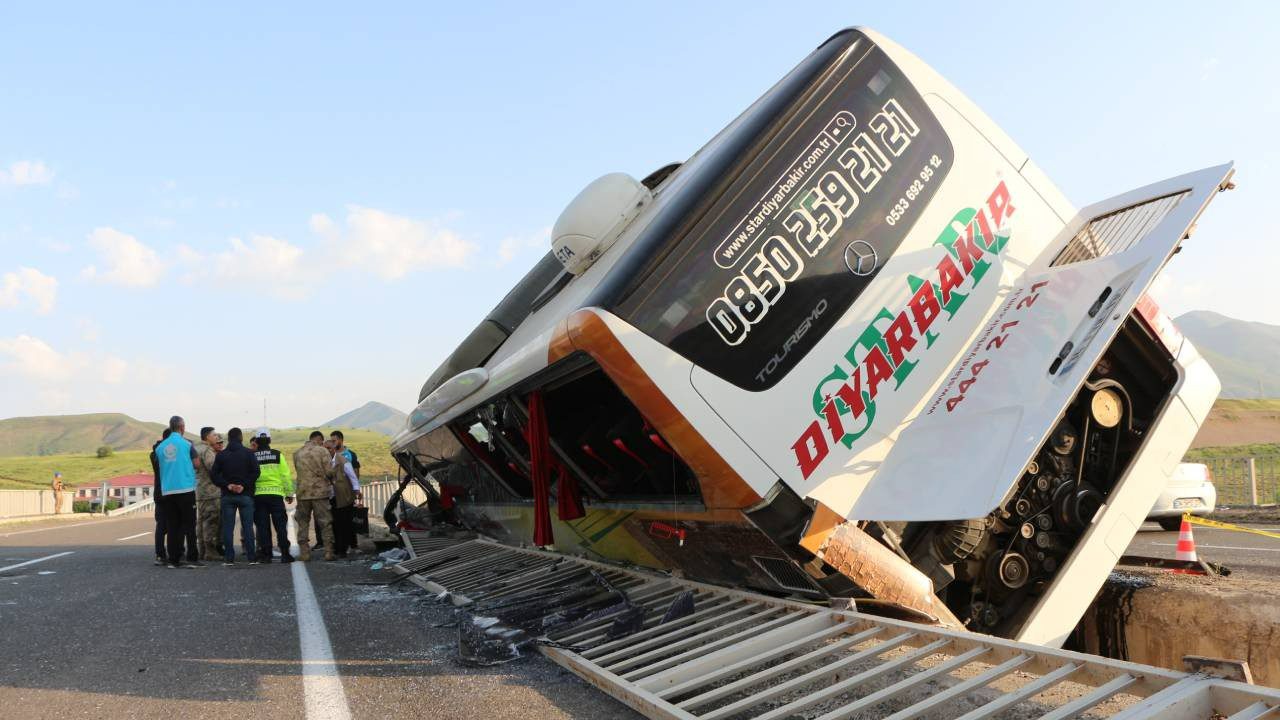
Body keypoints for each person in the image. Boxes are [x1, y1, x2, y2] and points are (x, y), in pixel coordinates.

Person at [155, 416, 203, 569]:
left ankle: (173, 560)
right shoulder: (187, 444)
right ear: (182, 427)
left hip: (168, 490)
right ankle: (192, 558)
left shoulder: (160, 447)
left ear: (170, 427)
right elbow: (197, 464)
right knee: (190, 525)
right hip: (185, 488)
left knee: (172, 526)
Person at [211, 427, 259, 565]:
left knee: (228, 528)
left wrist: (228, 485)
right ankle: (251, 557)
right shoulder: (249, 453)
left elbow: (214, 475)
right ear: (241, 438)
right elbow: (256, 472)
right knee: (248, 527)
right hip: (245, 495)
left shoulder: (221, 455)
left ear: (228, 438)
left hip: (227, 495)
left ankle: (229, 558)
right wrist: (243, 485)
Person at [251, 428, 295, 563]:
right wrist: (289, 493)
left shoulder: (252, 456)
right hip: (276, 495)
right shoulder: (277, 455)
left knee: (263, 527)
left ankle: (266, 555)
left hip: (258, 495)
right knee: (280, 526)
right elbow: (285, 475)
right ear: (269, 440)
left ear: (256, 441)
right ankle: (285, 554)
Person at [293, 431, 335, 562]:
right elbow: (330, 471)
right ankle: (328, 552)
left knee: (302, 522)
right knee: (325, 522)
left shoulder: (297, 453)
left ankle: (304, 553)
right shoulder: (322, 451)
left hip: (302, 493)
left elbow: (298, 471)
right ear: (320, 440)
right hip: (320, 492)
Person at [326, 438, 362, 558]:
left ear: (334, 449)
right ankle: (338, 548)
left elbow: (352, 476)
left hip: (343, 496)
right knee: (335, 524)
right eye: (325, 448)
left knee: (344, 523)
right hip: (331, 497)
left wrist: (357, 490)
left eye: (329, 448)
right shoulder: (323, 462)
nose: (327, 450)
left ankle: (343, 549)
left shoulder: (343, 460)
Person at [193, 428, 223, 561]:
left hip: (200, 491)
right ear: (207, 437)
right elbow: (214, 468)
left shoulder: (195, 449)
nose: (216, 437)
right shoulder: (207, 451)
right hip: (211, 492)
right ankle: (210, 551)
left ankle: (202, 551)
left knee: (201, 522)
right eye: (214, 435)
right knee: (211, 521)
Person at [150, 429, 171, 565]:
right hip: (170, 491)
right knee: (173, 524)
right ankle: (175, 552)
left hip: (159, 493)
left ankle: (160, 554)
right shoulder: (166, 452)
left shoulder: (154, 453)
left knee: (161, 526)